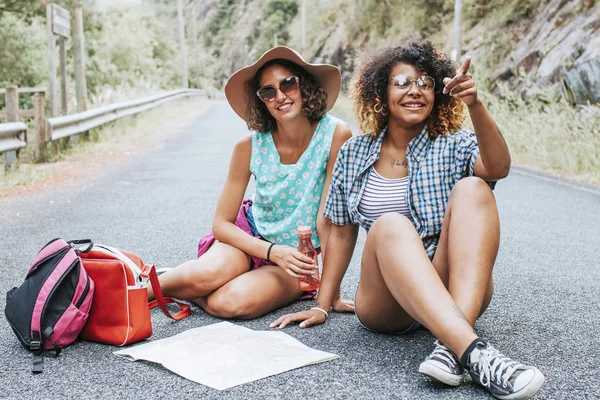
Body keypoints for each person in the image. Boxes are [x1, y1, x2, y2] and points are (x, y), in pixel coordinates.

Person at [270, 41, 544, 400]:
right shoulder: (354, 152)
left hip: (451, 286)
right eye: (402, 82)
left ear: (439, 94)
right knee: (390, 224)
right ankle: (476, 353)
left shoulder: (453, 143)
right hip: (387, 301)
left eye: (426, 83)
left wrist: (475, 105)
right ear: (381, 92)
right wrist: (324, 302)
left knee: (476, 188)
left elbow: (498, 168)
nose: (415, 90)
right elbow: (339, 230)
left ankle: (451, 348)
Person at [148, 46, 353, 319]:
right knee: (206, 274)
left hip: (295, 260)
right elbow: (221, 224)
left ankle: (185, 286)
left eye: (288, 84)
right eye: (268, 92)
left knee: (228, 303)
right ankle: (132, 294)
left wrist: (327, 300)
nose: (280, 96)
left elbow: (327, 221)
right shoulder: (249, 147)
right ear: (262, 102)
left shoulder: (336, 134)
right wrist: (271, 250)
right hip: (249, 240)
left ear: (304, 85)